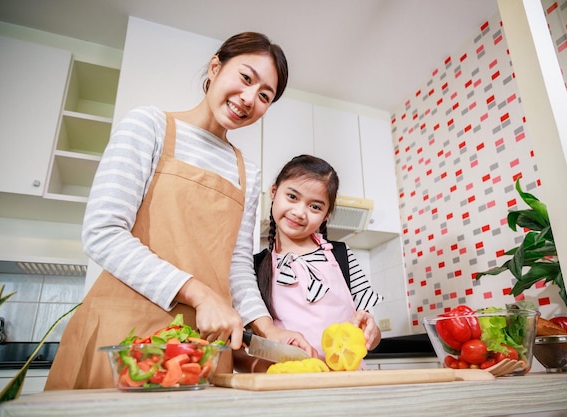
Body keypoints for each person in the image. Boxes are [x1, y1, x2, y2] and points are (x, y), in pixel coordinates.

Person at [45, 32, 312, 390]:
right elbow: (103, 233)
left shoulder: (248, 172)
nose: (249, 98)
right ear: (216, 67)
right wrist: (200, 294)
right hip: (124, 336)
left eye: (265, 96)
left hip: (202, 347)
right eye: (246, 78)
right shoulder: (149, 126)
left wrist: (269, 329)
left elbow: (236, 267)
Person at [234, 155, 383, 373]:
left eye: (315, 206)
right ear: (274, 192)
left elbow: (372, 335)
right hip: (288, 387)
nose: (299, 212)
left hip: (349, 384)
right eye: (292, 196)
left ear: (326, 215)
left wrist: (371, 332)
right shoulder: (250, 270)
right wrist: (267, 370)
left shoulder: (342, 255)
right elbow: (240, 349)